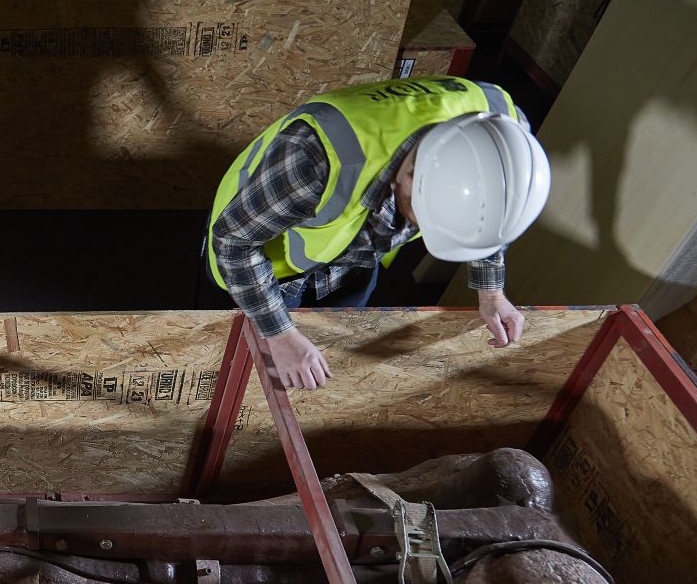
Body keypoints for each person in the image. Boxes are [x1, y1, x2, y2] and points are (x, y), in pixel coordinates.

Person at [206, 75, 550, 390]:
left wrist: (491, 292)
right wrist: (279, 333)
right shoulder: (314, 159)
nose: (416, 231)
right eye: (422, 219)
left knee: (333, 339)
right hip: (270, 255)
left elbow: (489, 214)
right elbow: (234, 242)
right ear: (413, 178)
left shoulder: (503, 133)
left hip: (354, 252)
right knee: (261, 362)